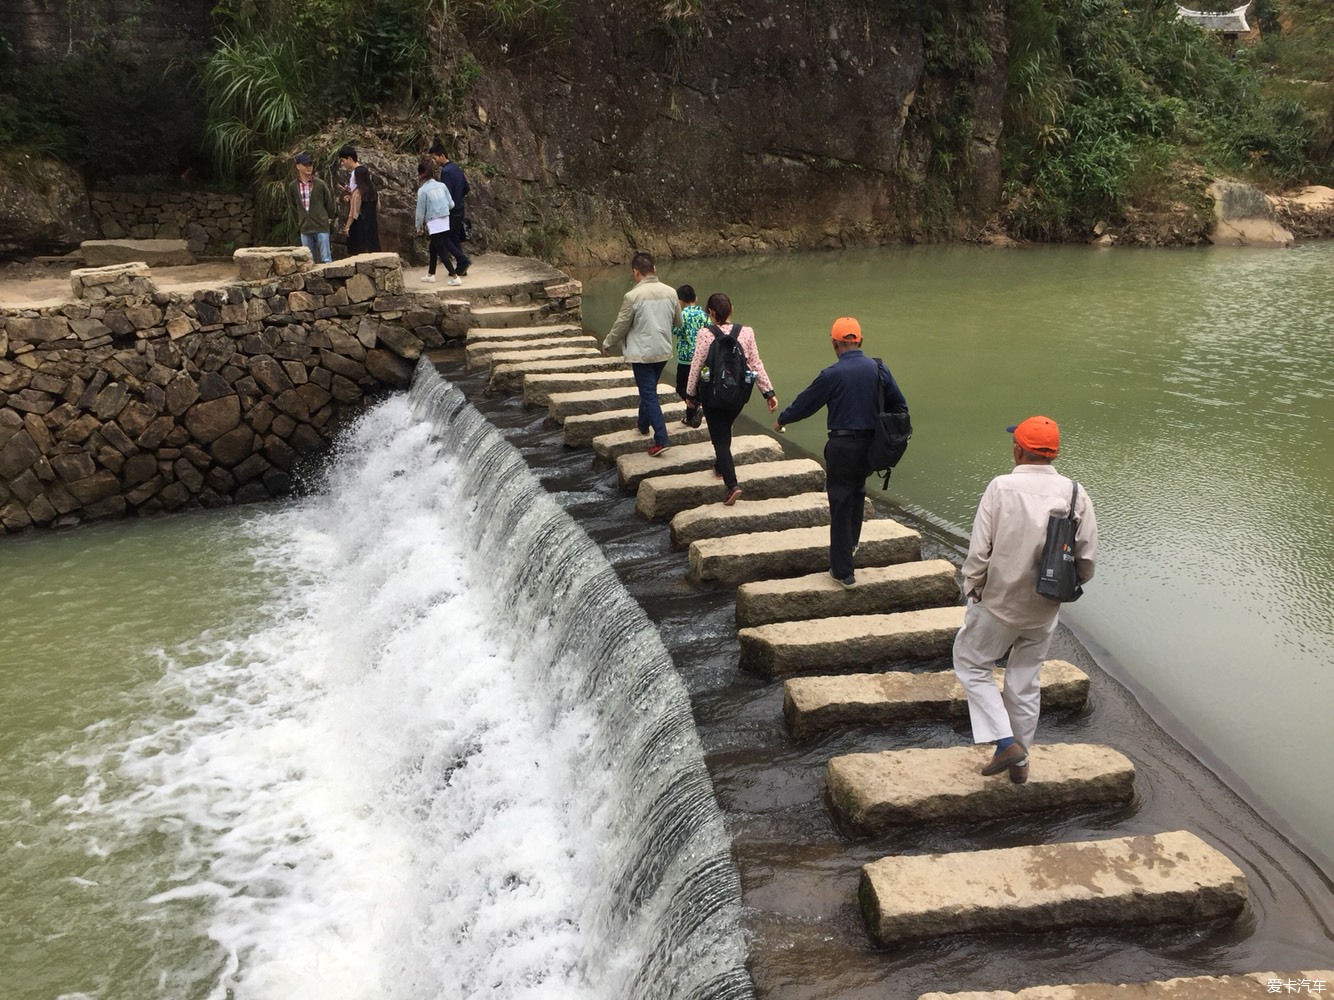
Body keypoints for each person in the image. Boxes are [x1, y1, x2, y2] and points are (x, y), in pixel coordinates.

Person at [953, 415, 1098, 784]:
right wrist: (1065, 590)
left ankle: (1005, 743)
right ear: (1053, 453)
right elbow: (1086, 559)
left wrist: (972, 588)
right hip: (1044, 606)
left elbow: (979, 551)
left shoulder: (1000, 488)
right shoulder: (1075, 493)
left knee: (971, 664)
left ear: (1018, 449)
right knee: (1025, 680)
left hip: (999, 601)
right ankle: (1020, 763)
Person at [774, 317, 906, 589]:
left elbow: (806, 403)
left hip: (842, 446)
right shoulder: (879, 369)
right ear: (860, 341)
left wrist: (783, 419)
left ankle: (843, 571)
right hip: (871, 447)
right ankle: (851, 546)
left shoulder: (831, 375)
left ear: (834, 343)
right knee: (857, 494)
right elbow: (900, 405)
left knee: (841, 501)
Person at [684, 293, 778, 505]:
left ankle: (732, 485)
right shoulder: (746, 332)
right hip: (738, 395)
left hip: (713, 395)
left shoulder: (705, 334)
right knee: (724, 429)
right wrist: (768, 392)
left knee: (720, 439)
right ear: (731, 309)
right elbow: (756, 364)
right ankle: (719, 466)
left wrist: (690, 395)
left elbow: (696, 365)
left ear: (710, 312)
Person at [600, 252, 681, 456]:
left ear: (636, 273)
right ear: (654, 269)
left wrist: (608, 342)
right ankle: (643, 425)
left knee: (648, 393)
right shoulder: (671, 293)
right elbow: (678, 322)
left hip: (642, 354)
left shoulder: (632, 296)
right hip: (663, 351)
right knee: (649, 390)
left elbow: (621, 325)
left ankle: (661, 439)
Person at [429, 140, 471, 280]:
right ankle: (461, 267)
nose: (434, 161)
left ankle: (462, 260)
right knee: (455, 238)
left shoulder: (445, 171)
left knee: (444, 238)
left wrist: (447, 207)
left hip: (451, 210)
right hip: (460, 207)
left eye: (435, 158)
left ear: (441, 155)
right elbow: (466, 187)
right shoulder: (456, 168)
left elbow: (445, 193)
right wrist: (459, 199)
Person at [414, 160, 455, 284]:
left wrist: (418, 226)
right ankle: (431, 274)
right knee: (433, 247)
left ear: (421, 174)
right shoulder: (442, 186)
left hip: (433, 221)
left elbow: (420, 212)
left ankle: (455, 276)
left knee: (441, 250)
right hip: (445, 219)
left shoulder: (423, 191)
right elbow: (451, 204)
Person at [289, 152, 335, 264]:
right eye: (305, 165)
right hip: (305, 227)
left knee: (326, 259)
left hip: (321, 225)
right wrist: (300, 223)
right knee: (309, 261)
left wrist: (327, 219)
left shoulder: (320, 184)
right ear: (298, 166)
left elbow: (329, 203)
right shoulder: (292, 186)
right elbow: (293, 207)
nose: (309, 167)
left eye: (310, 165)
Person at [337, 146, 380, 255]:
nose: (343, 164)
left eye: (343, 160)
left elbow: (354, 211)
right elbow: (378, 207)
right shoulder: (372, 191)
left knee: (356, 248)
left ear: (350, 159)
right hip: (371, 225)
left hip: (360, 225)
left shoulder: (357, 192)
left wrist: (347, 227)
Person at [672, 284, 707, 404]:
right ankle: (691, 417)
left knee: (682, 387)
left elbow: (675, 330)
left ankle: (695, 405)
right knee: (697, 387)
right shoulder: (704, 315)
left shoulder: (682, 316)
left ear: (679, 301)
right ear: (695, 298)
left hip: (685, 359)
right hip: (702, 358)